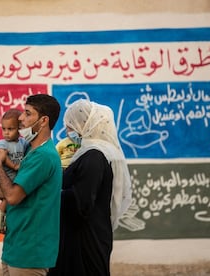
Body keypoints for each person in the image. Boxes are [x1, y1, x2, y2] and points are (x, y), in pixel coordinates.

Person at [48, 99, 132, 276]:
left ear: (84, 125)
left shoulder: (94, 155)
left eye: (70, 126)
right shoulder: (92, 152)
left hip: (86, 238)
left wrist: (49, 193)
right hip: (86, 233)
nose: (67, 132)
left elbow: (82, 201)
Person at [0, 94, 62, 276]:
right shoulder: (31, 151)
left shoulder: (43, 156)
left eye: (27, 113)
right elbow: (4, 192)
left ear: (43, 121)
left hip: (30, 252)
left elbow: (13, 196)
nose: (21, 118)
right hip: (15, 246)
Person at [0, 109, 28, 235]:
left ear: (20, 128)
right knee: (9, 198)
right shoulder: (2, 143)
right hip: (2, 177)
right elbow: (2, 157)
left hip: (13, 179)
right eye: (4, 129)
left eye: (10, 129)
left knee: (9, 200)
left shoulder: (23, 142)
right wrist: (13, 165)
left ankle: (2, 223)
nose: (6, 133)